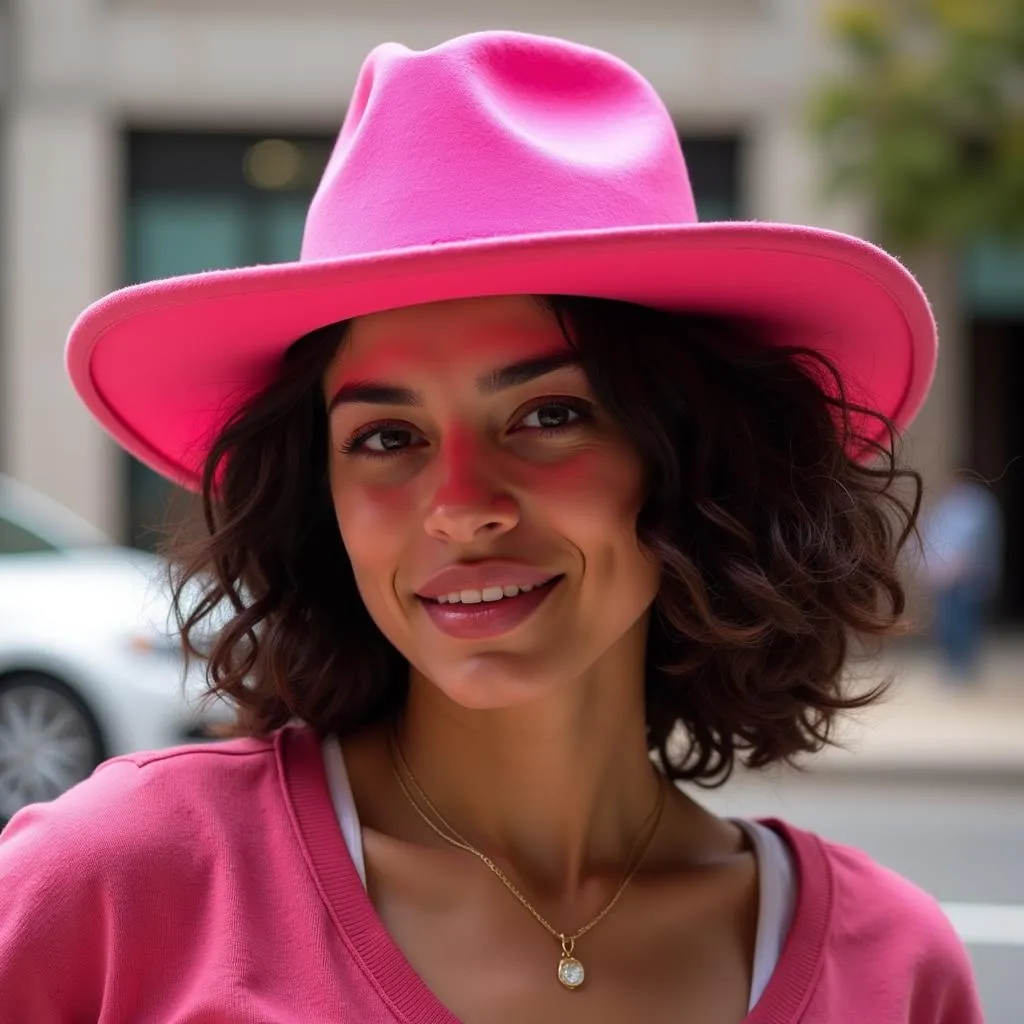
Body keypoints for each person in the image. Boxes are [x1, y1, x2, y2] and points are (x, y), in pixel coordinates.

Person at [0, 30, 981, 1023]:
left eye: (550, 415)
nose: (461, 503)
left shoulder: (893, 970)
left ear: (692, 457)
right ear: (319, 497)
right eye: (386, 436)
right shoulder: (112, 890)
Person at [920, 472, 1004, 681]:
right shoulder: (946, 508)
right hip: (945, 576)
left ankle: (964, 668)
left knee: (964, 621)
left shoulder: (976, 507)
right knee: (947, 622)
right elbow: (934, 539)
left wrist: (954, 568)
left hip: (968, 578)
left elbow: (974, 544)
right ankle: (952, 667)